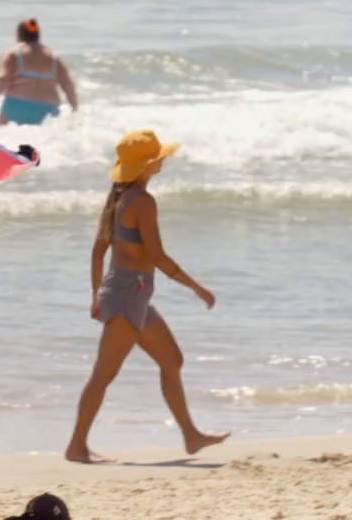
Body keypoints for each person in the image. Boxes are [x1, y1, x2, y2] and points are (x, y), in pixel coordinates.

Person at [67, 130, 231, 464]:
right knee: (103, 374)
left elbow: (99, 251)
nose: (162, 162)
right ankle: (76, 447)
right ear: (144, 165)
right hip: (129, 295)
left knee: (172, 360)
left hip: (129, 293)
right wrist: (196, 287)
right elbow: (157, 256)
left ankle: (191, 436)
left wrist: (97, 294)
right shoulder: (142, 201)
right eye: (158, 159)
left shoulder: (120, 197)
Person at [0, 19, 79, 126]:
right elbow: (68, 85)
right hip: (48, 110)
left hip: (18, 106)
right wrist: (75, 109)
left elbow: (2, 80)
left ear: (18, 34)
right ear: (38, 35)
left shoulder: (14, 53)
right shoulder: (54, 57)